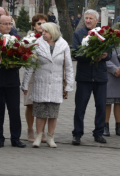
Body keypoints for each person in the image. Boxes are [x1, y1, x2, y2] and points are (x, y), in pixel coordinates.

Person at [22, 23, 74, 148]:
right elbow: (30, 66)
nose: (43, 33)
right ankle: (38, 136)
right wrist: (25, 85)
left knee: (53, 112)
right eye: (43, 31)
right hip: (40, 82)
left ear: (53, 33)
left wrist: (68, 85)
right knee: (40, 111)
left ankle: (51, 137)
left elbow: (69, 66)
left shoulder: (63, 45)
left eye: (46, 31)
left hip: (56, 83)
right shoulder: (37, 44)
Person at [72, 9, 111, 145]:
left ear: (97, 20)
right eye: (86, 18)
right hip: (84, 77)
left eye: (90, 18)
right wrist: (91, 56)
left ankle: (98, 133)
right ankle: (77, 134)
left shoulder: (103, 34)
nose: (88, 20)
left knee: (101, 107)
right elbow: (76, 53)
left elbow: (110, 52)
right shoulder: (78, 34)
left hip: (100, 77)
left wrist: (105, 55)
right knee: (80, 107)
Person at [0, 14, 26, 148]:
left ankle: (16, 138)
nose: (8, 26)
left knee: (14, 110)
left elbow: (23, 58)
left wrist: (16, 63)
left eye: (9, 24)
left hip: (12, 80)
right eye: (5, 24)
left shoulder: (17, 39)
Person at [24, 14, 48, 143]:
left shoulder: (50, 38)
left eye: (44, 23)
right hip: (32, 73)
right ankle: (29, 129)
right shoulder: (29, 38)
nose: (41, 26)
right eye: (39, 23)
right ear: (34, 25)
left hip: (45, 74)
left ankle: (41, 131)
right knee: (30, 104)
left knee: (43, 104)